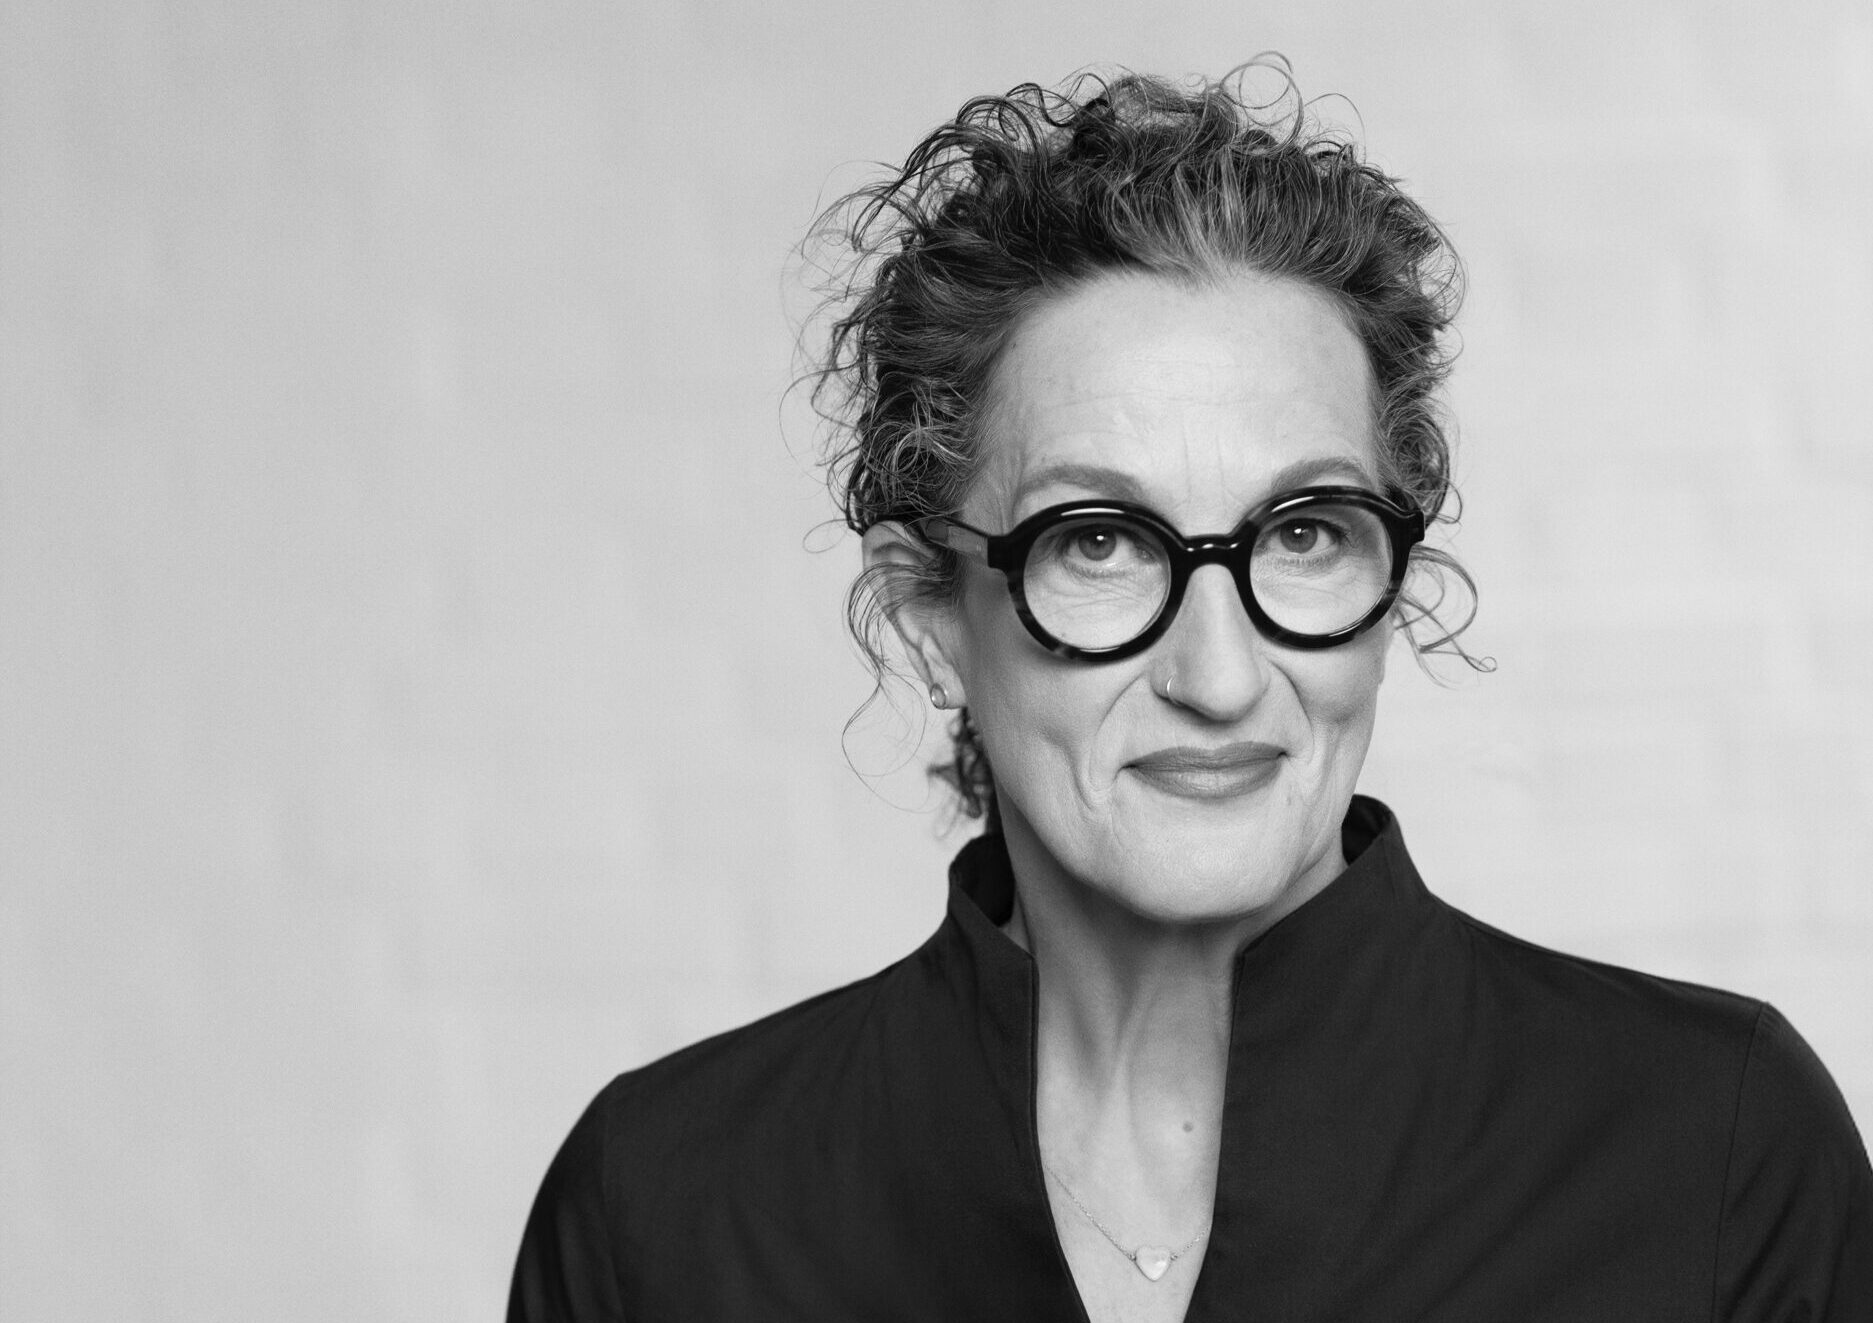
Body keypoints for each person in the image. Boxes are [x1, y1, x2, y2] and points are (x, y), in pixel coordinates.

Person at [508, 65, 1872, 1321]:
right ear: (930, 610)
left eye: (1304, 533)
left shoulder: (1713, 1152)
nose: (1218, 678)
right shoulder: (668, 1207)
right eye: (1097, 542)